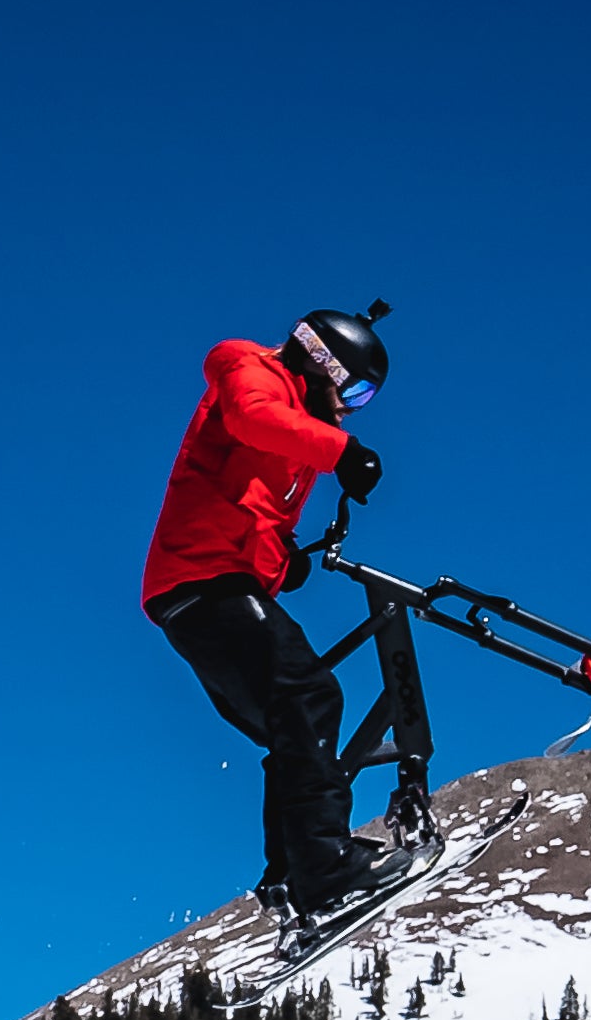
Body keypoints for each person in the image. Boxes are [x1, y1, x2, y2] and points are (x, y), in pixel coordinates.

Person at [139, 309, 411, 921]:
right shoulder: (251, 372)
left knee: (293, 724)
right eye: (356, 392)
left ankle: (290, 875)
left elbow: (242, 499)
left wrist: (282, 561)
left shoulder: (294, 418)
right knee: (309, 697)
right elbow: (251, 419)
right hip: (203, 581)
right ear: (325, 367)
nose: (351, 408)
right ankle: (325, 868)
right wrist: (342, 450)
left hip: (204, 585)